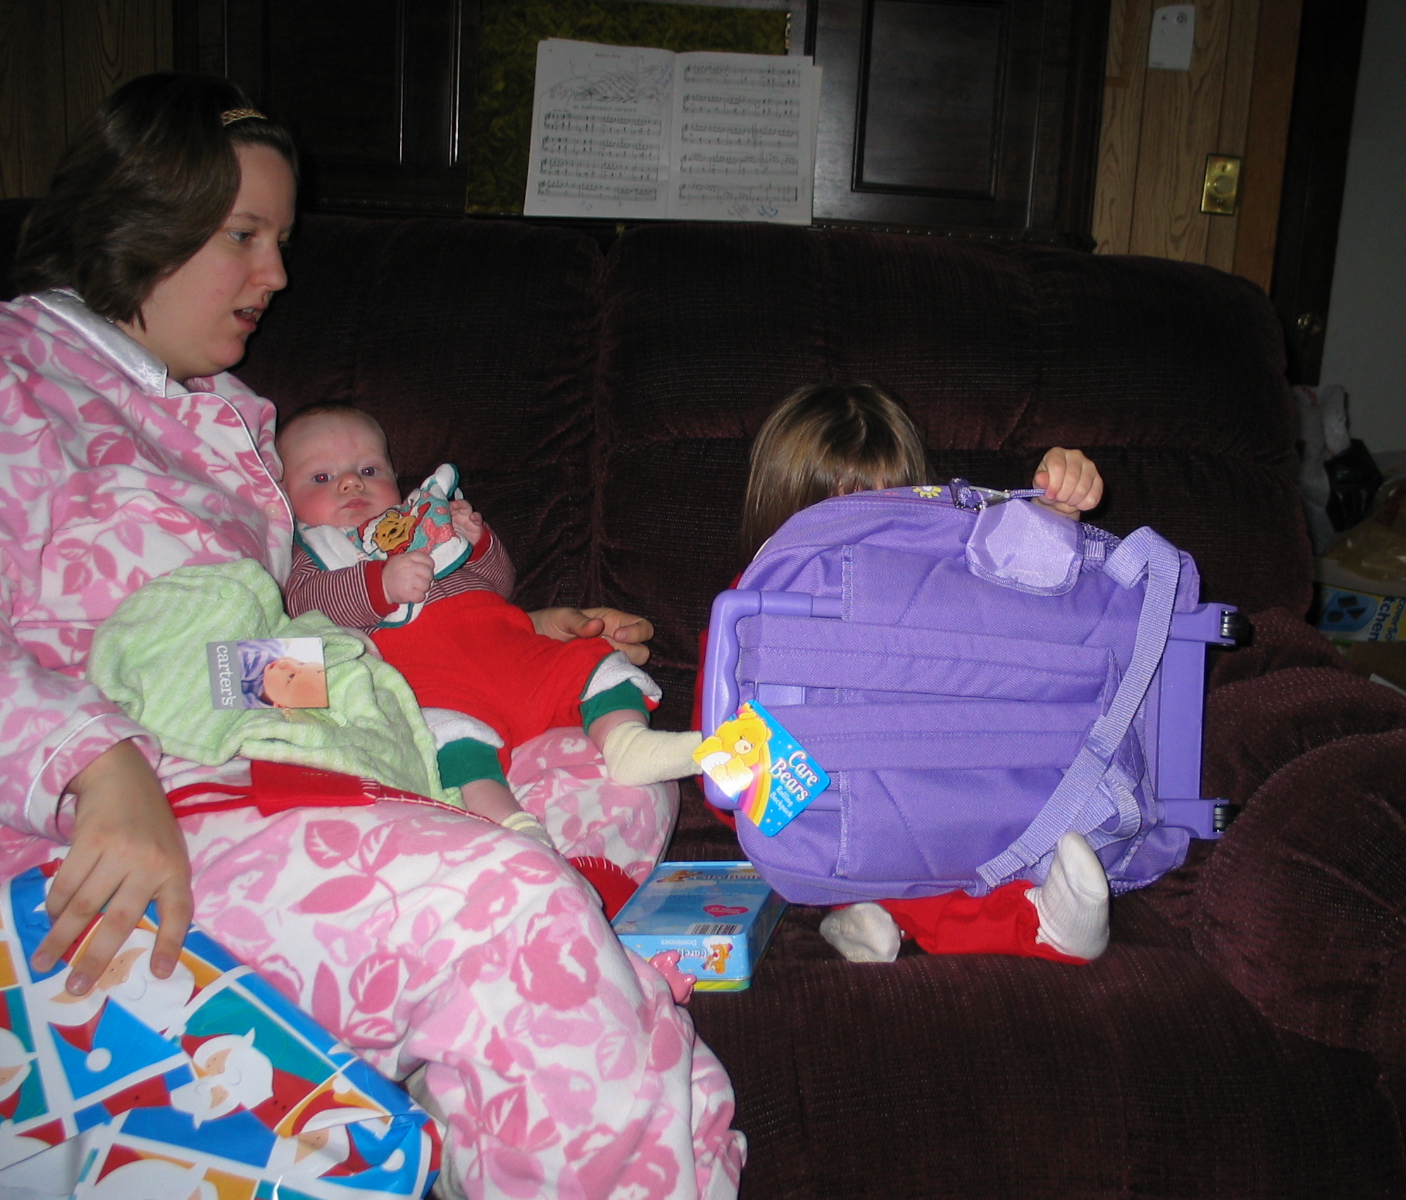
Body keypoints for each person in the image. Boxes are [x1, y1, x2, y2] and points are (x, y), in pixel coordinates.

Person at [0, 72, 743, 1199]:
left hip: (268, 734)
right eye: (245, 236)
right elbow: (187, 672)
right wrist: (92, 764)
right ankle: (527, 989)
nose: (277, 275)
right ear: (136, 217)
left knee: (590, 766)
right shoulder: (20, 373)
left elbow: (273, 654)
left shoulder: (225, 419)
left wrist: (492, 632)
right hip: (112, 825)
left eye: (281, 240)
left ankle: (501, 1048)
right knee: (515, 905)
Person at [708, 382, 1113, 965]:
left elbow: (1015, 602)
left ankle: (869, 912)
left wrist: (1052, 512)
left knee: (951, 835)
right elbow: (718, 768)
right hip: (828, 809)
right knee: (896, 862)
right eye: (830, 510)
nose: (858, 533)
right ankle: (1034, 924)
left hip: (938, 773)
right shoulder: (748, 610)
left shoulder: (946, 572)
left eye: (883, 506)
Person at [275, 404, 702, 845]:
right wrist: (379, 584)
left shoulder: (421, 523)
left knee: (594, 662)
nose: (351, 482)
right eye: (321, 477)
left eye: (369, 469)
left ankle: (628, 743)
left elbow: (499, 585)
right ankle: (510, 828)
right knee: (447, 739)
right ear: (282, 496)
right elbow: (308, 604)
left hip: (513, 653)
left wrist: (479, 544)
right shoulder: (317, 553)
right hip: (435, 685)